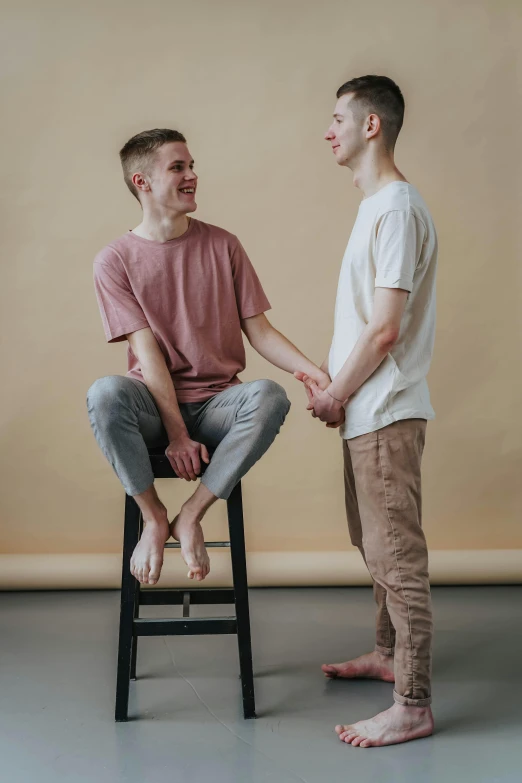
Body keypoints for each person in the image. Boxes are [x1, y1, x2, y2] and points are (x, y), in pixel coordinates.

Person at [87, 128, 329, 587]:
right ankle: (155, 517)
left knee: (270, 397)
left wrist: (316, 374)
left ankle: (191, 515)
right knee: (104, 394)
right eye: (178, 167)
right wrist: (177, 434)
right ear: (142, 182)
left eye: (191, 166)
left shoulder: (224, 245)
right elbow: (147, 352)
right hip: (153, 408)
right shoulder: (114, 260)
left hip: (220, 403)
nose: (192, 175)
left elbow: (259, 331)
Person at [296, 75, 438, 747]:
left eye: (337, 119)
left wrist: (336, 392)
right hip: (366, 411)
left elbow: (384, 329)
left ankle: (412, 702)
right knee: (373, 547)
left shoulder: (397, 209)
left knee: (398, 558)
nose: (329, 131)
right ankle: (387, 655)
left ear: (371, 125)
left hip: (381, 410)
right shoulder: (376, 205)